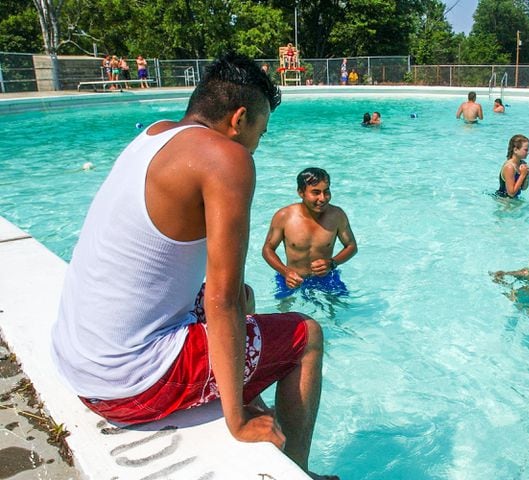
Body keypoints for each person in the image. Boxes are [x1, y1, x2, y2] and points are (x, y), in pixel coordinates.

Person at [51, 53, 337, 480]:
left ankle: (247, 398)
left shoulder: (153, 136)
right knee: (306, 335)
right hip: (127, 386)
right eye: (261, 131)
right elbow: (220, 302)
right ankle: (297, 471)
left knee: (247, 297)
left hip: (78, 363)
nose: (258, 143)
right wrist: (237, 419)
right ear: (239, 119)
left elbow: (232, 295)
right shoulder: (226, 157)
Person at [262, 167, 358, 301]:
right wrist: (285, 272)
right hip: (291, 278)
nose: (323, 198)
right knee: (284, 315)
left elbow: (351, 246)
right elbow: (268, 248)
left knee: (342, 313)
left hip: (326, 277)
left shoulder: (337, 215)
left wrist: (332, 263)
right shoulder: (284, 216)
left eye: (326, 191)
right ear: (301, 192)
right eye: (316, 192)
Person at [495, 134, 529, 198]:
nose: (528, 152)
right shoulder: (510, 167)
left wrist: (527, 175)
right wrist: (523, 175)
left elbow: (523, 188)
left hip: (514, 198)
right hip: (503, 200)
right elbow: (511, 193)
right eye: (526, 150)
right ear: (515, 150)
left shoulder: (522, 164)